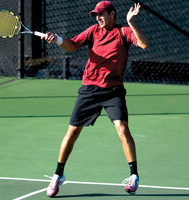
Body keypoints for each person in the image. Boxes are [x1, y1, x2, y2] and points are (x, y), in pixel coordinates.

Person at [42, 1, 149, 197]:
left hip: (113, 90)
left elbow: (143, 44)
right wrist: (57, 39)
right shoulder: (93, 31)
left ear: (112, 14)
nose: (98, 18)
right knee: (73, 131)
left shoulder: (124, 32)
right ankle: (58, 175)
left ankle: (134, 176)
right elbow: (72, 45)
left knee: (123, 129)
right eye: (96, 15)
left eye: (101, 14)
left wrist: (131, 22)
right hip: (90, 88)